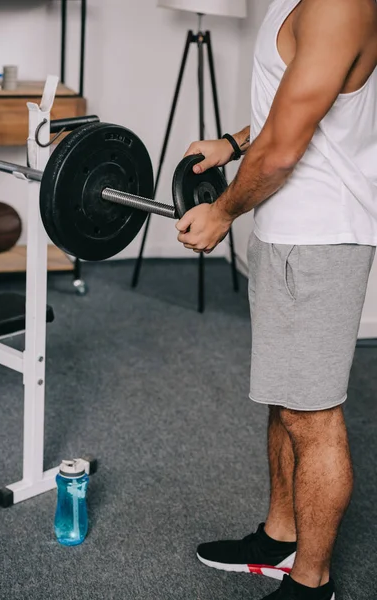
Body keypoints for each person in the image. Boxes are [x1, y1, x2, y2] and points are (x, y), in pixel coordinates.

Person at [176, 0, 377, 598]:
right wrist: (233, 144)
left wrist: (222, 212)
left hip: (316, 237)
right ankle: (279, 535)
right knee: (284, 396)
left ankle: (312, 582)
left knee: (311, 416)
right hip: (285, 228)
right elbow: (290, 99)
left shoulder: (342, 5)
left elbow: (289, 144)